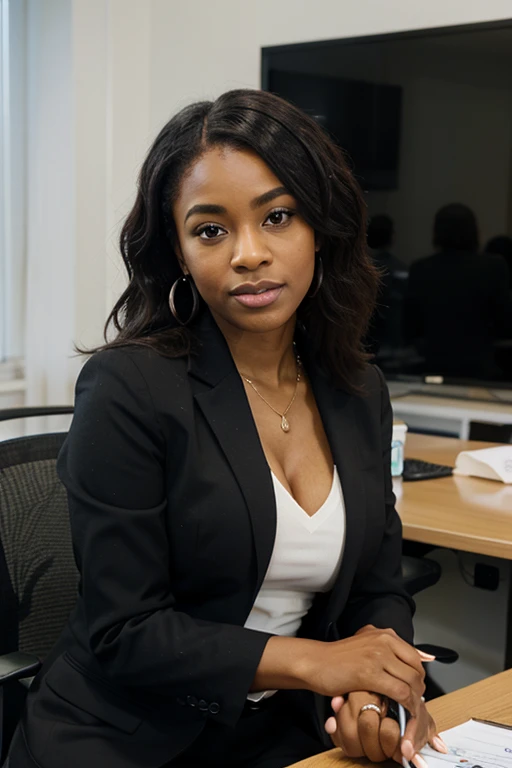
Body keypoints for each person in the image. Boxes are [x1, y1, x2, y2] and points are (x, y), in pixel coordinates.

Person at [8, 89, 446, 768]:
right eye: (210, 230)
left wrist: (370, 692)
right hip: (128, 739)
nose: (248, 254)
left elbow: (378, 588)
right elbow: (126, 632)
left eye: (277, 216)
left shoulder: (358, 390)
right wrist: (321, 664)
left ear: (320, 228)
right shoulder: (131, 388)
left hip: (284, 733)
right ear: (179, 252)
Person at [404, 204, 512, 379]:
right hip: (481, 367)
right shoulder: (494, 266)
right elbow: (504, 323)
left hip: (434, 366)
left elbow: (410, 328)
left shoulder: (420, 269)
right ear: (474, 231)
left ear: (437, 232)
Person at [367, 214, 408, 353]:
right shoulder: (400, 269)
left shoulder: (358, 267)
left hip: (365, 338)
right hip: (393, 339)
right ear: (392, 237)